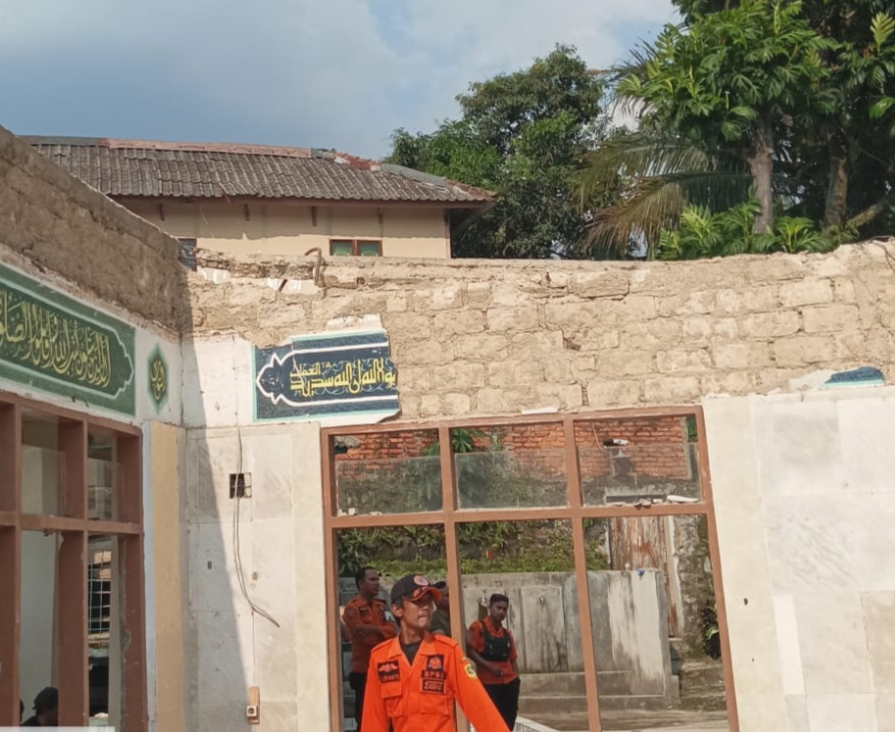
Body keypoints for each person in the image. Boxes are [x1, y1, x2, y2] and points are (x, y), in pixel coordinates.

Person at [362, 574, 510, 732]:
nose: (426, 607)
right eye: (418, 601)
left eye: (429, 601)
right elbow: (373, 722)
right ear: (397, 609)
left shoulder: (447, 652)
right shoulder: (381, 658)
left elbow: (480, 707)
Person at [342, 567, 398, 730]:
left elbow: (393, 633)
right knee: (365, 717)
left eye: (377, 579)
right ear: (361, 584)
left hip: (386, 669)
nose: (377, 583)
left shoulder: (382, 606)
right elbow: (365, 639)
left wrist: (373, 629)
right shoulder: (352, 608)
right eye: (372, 580)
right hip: (363, 671)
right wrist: (382, 633)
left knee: (390, 716)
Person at [467, 593, 521, 731]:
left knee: (508, 723)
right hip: (488, 683)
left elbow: (513, 659)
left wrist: (516, 680)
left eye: (504, 609)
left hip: (509, 683)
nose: (502, 612)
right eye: (498, 608)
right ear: (490, 608)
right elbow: (470, 651)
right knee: (489, 722)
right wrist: (490, 667)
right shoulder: (478, 628)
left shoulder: (506, 633)